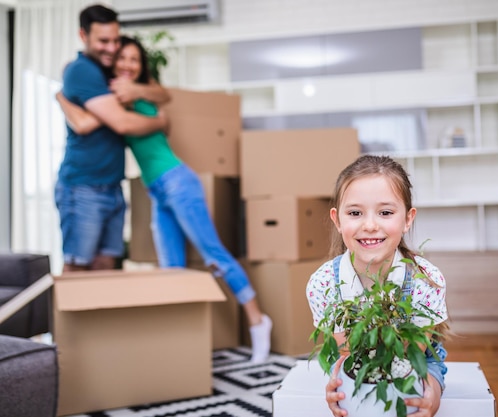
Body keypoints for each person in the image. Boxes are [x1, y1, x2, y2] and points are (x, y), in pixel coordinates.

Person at [55, 35, 273, 363]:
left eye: (135, 60)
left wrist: (62, 96)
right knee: (172, 268)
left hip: (178, 181)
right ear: (112, 63)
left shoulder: (132, 92)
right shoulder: (116, 95)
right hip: (156, 190)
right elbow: (94, 119)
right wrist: (62, 93)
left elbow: (158, 97)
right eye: (122, 59)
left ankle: (258, 321)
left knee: (213, 253)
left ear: (142, 66)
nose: (128, 65)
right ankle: (182, 345)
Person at [306, 155, 449, 417]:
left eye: (385, 212)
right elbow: (347, 352)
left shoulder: (425, 278)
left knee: (428, 387)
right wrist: (340, 383)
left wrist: (432, 389)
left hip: (415, 360)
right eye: (355, 213)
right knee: (341, 389)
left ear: (408, 218)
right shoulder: (323, 282)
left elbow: (412, 353)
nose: (370, 225)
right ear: (338, 220)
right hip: (355, 360)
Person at [56, 4, 169, 272]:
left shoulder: (109, 70)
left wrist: (134, 90)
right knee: (77, 267)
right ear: (83, 36)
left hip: (111, 187)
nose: (111, 47)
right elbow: (121, 123)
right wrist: (160, 122)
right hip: (83, 187)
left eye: (115, 40)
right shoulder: (82, 71)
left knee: (105, 267)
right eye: (103, 41)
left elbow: (163, 94)